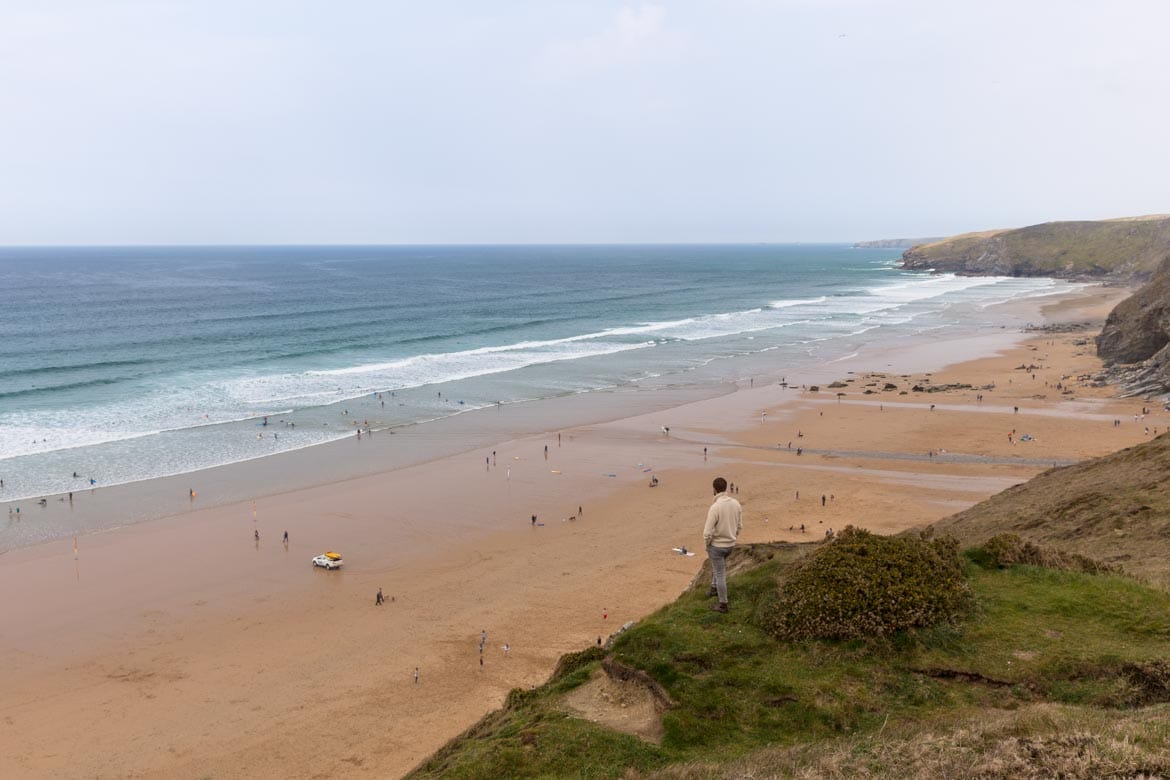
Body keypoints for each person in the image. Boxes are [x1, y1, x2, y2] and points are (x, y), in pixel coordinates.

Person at [703, 476, 742, 614]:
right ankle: (713, 589)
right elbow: (739, 526)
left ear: (714, 489)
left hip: (717, 546)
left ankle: (723, 604)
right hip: (730, 545)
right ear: (725, 488)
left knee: (720, 573)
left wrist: (707, 545)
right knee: (717, 566)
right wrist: (732, 538)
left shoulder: (716, 507)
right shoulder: (736, 504)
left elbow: (707, 532)